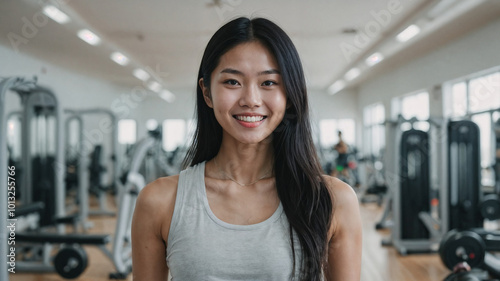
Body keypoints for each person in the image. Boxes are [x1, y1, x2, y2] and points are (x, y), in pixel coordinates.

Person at [131, 17, 362, 281]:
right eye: (232, 82)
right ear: (207, 92)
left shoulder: (333, 200)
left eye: (268, 83)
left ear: (289, 95)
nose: (251, 100)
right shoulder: (159, 202)